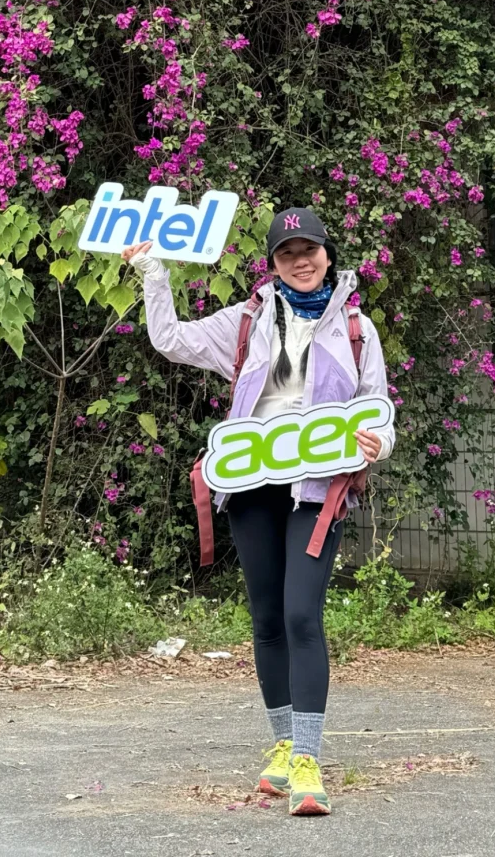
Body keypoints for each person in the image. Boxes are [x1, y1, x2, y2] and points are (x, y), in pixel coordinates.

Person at [122, 205, 394, 817]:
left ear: (328, 254)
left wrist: (380, 442)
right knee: (267, 617)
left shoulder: (357, 330)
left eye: (311, 250)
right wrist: (154, 275)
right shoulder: (246, 321)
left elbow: (376, 407)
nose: (301, 261)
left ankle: (308, 758)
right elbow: (170, 340)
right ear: (272, 264)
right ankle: (280, 745)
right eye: (287, 253)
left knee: (302, 614)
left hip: (317, 490)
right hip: (251, 485)